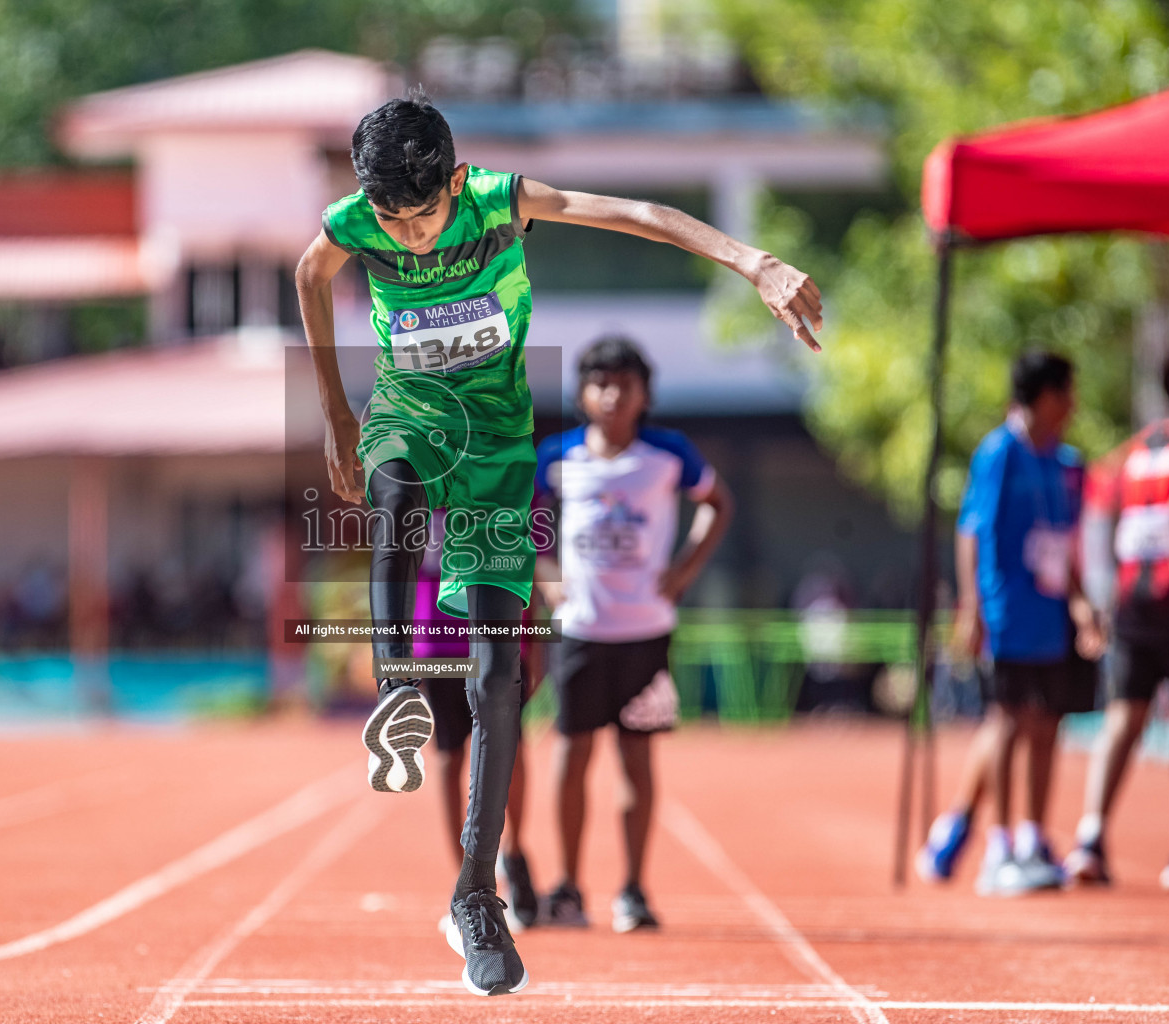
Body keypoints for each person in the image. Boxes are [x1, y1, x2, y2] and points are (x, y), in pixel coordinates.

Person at [295, 91, 820, 997]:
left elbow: (641, 215)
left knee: (502, 682)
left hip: (499, 445)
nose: (412, 237)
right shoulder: (355, 220)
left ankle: (476, 895)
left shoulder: (501, 200)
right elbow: (310, 274)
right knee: (395, 482)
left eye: (426, 215)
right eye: (393, 221)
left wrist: (754, 261)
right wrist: (338, 412)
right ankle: (397, 684)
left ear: (455, 182)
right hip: (414, 418)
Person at [533, 337, 733, 932]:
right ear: (581, 392)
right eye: (601, 382)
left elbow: (718, 504)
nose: (613, 394)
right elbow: (523, 520)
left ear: (646, 394)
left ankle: (633, 889)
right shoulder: (556, 455)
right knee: (571, 754)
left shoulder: (670, 454)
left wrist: (685, 568)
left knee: (637, 759)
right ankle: (568, 887)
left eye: (626, 383)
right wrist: (546, 575)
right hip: (580, 631)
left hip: (646, 631)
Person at [917, 351, 1103, 895]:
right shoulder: (999, 452)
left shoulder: (1068, 464)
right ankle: (995, 845)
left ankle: (1029, 837)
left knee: (1047, 724)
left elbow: (1069, 544)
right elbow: (971, 530)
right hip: (1007, 612)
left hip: (1052, 615)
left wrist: (1081, 602)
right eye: (1066, 392)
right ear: (1044, 395)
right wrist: (971, 607)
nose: (1072, 403)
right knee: (1007, 720)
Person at [1064, 353, 1169, 890]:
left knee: (1124, 717)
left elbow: (1102, 512)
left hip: (1131, 599)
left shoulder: (1141, 447)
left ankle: (1090, 837)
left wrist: (1103, 589)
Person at [414, 510, 539, 932]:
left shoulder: (504, 473)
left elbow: (527, 561)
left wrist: (532, 640)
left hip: (498, 633)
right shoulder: (422, 481)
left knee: (512, 751)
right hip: (437, 638)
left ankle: (515, 857)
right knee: (449, 756)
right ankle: (464, 888)